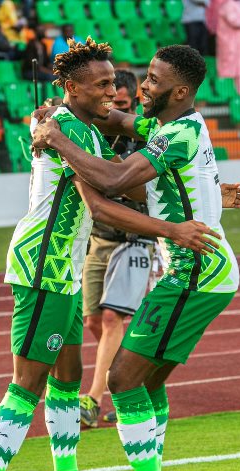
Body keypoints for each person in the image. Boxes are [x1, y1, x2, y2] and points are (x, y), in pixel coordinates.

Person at [0, 38, 226, 471]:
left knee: (66, 380)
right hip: (43, 265)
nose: (113, 91)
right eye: (101, 84)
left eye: (112, 82)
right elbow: (104, 199)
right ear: (71, 87)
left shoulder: (75, 127)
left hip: (65, 268)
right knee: (28, 383)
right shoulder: (66, 128)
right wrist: (171, 228)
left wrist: (205, 190)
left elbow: (127, 168)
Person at [32, 44, 240, 471]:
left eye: (153, 80)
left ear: (180, 91)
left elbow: (114, 179)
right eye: (146, 76)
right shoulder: (168, 125)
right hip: (195, 271)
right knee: (148, 380)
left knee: (122, 378)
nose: (142, 87)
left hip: (196, 274)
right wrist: (60, 110)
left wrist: (56, 138)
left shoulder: (179, 133)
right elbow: (116, 120)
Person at [78, 70, 154, 428]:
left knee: (111, 318)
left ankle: (92, 400)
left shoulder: (145, 137)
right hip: (99, 237)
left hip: (135, 237)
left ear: (133, 100)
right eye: (109, 100)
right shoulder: (91, 131)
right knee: (93, 321)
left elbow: (123, 182)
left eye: (121, 103)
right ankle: (132, 372)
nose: (113, 109)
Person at [215, 0, 240, 95]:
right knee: (228, 71)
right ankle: (226, 96)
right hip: (229, 44)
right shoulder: (227, 5)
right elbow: (235, 21)